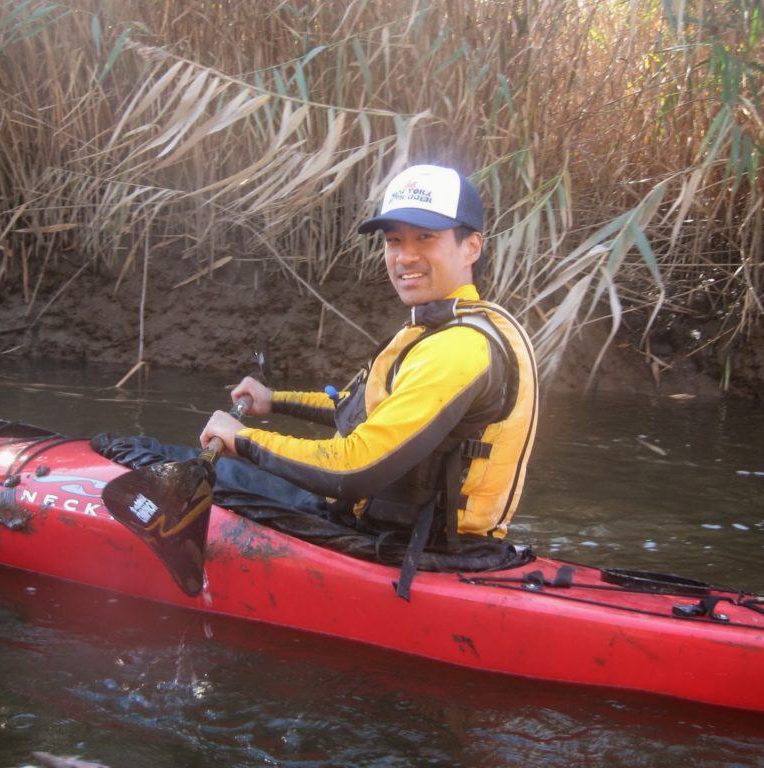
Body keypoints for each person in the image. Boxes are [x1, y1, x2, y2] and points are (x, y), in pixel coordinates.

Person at [199, 165, 539, 582]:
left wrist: (244, 440)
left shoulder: (459, 348)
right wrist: (275, 400)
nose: (405, 256)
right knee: (208, 470)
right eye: (394, 240)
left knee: (196, 471)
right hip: (398, 535)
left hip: (418, 552)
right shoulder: (442, 327)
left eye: (425, 238)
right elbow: (360, 410)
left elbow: (354, 471)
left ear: (471, 247)